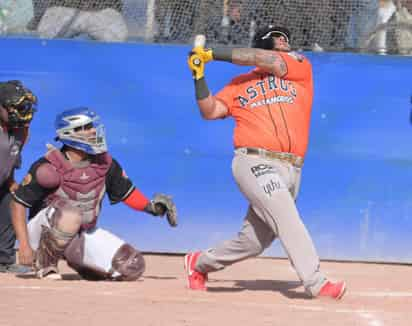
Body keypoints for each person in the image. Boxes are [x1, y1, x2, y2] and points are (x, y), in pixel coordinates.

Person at [184, 25, 346, 299]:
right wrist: (198, 75)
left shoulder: (299, 67)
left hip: (292, 168)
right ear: (262, 42)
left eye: (286, 39)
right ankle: (316, 282)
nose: (285, 44)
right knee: (286, 214)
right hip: (253, 161)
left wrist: (211, 54)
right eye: (278, 39)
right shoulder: (239, 84)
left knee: (253, 242)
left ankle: (199, 263)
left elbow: (265, 60)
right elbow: (210, 111)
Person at [11, 107, 177, 280]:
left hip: (80, 233)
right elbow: (18, 203)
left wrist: (152, 208)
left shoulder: (104, 162)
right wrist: (23, 244)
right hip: (41, 233)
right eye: (87, 127)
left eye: (93, 126)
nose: (93, 131)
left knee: (132, 265)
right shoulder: (49, 166)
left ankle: (82, 263)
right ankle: (45, 263)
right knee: (70, 214)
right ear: (70, 133)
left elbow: (127, 193)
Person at [0, 80, 37, 273]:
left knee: (12, 201)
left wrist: (11, 182)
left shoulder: (22, 131)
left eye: (24, 107)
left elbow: (10, 159)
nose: (22, 112)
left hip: (2, 182)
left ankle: (3, 261)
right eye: (15, 107)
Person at [28, 0, 128, 42]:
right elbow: (43, 31)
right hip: (62, 11)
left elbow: (119, 36)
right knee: (45, 33)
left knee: (118, 35)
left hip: (102, 13)